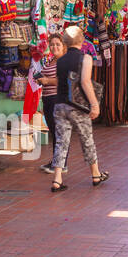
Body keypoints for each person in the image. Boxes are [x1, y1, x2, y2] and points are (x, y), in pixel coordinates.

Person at [50, 25, 108, 192]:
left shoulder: (60, 60)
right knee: (87, 140)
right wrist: (94, 104)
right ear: (82, 41)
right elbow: (85, 82)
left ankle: (57, 179)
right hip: (78, 107)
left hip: (59, 104)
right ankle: (96, 174)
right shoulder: (86, 58)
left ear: (65, 42)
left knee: (61, 142)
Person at [36, 33, 64, 173]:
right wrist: (41, 79)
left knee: (59, 132)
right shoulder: (51, 60)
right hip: (47, 98)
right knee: (54, 131)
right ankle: (55, 161)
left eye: (57, 44)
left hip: (57, 99)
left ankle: (61, 165)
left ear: (63, 46)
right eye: (52, 44)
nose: (54, 47)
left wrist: (47, 81)